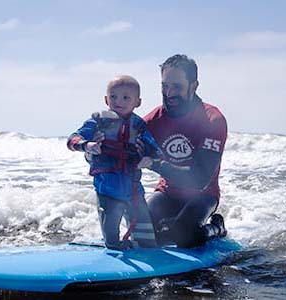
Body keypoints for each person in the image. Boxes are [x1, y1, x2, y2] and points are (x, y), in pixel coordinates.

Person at [143, 54, 228, 248]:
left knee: (184, 235)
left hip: (203, 195)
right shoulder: (153, 120)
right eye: (164, 86)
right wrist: (94, 149)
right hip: (167, 193)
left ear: (194, 85)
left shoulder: (212, 120)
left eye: (177, 87)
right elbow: (123, 145)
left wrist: (155, 164)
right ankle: (170, 225)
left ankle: (216, 227)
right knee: (142, 228)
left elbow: (199, 179)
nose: (169, 92)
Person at [67, 75, 160, 250]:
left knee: (147, 240)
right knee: (112, 242)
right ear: (106, 99)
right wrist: (87, 145)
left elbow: (156, 149)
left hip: (134, 191)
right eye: (114, 97)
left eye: (126, 97)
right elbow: (72, 139)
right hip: (107, 191)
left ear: (137, 102)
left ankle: (137, 250)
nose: (119, 101)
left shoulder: (139, 126)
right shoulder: (97, 122)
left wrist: (149, 158)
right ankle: (113, 248)